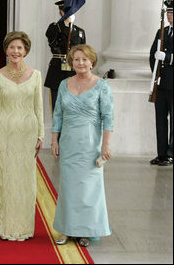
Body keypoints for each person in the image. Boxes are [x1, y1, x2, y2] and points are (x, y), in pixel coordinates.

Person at [51, 44, 113, 247]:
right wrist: (54, 140)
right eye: (76, 59)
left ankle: (87, 230)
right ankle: (67, 230)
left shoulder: (101, 85)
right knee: (68, 188)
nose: (80, 63)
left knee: (88, 189)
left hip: (90, 145)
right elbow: (58, 114)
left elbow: (108, 118)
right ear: (71, 62)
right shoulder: (63, 84)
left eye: (84, 59)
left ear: (92, 61)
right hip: (68, 143)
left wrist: (105, 146)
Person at [0, 31, 44, 241]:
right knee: (5, 179)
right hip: (4, 134)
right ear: (6, 50)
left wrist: (41, 135)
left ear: (26, 50)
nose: (15, 51)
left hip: (27, 134)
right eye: (12, 47)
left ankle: (24, 227)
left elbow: (39, 107)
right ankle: (3, 227)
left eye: (19, 48)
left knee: (25, 182)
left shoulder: (36, 75)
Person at [44, 0, 86, 113]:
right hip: (58, 71)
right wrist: (64, 23)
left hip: (74, 72)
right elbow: (51, 38)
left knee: (73, 109)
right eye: (66, 11)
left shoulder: (80, 32)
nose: (69, 14)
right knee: (57, 108)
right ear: (61, 13)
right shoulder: (55, 27)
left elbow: (83, 52)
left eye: (71, 11)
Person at [149, 0, 173, 166]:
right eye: (169, 13)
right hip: (162, 84)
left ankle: (171, 154)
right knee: (160, 119)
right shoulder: (162, 32)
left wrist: (169, 58)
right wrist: (156, 74)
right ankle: (162, 153)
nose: (170, 16)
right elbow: (152, 55)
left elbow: (164, 56)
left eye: (172, 13)